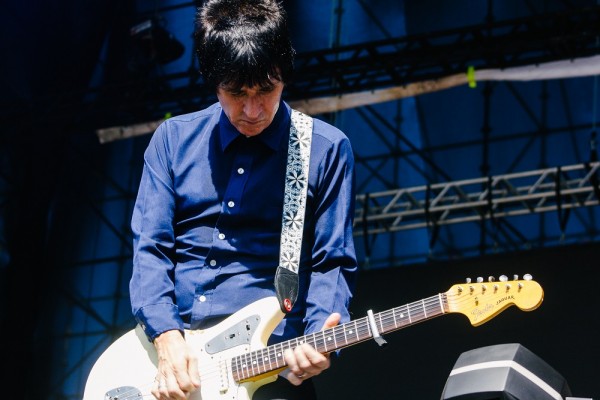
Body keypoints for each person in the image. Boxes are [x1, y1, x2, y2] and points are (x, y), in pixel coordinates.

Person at [129, 0, 358, 399]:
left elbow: (331, 262)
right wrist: (165, 336)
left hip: (268, 368)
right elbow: (151, 249)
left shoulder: (324, 149)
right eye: (236, 93)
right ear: (212, 82)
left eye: (266, 90)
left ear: (284, 76)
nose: (252, 110)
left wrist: (320, 339)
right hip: (171, 359)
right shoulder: (172, 140)